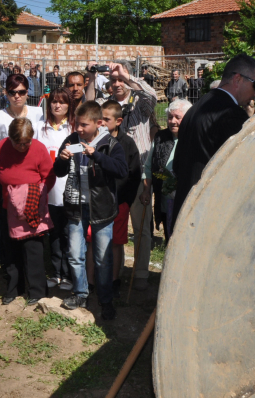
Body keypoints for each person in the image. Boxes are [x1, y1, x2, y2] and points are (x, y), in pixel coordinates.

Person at [172, 54, 255, 231]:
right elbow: (243, 171)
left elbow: (178, 165)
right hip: (209, 218)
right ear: (238, 79)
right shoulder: (231, 115)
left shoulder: (196, 108)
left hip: (186, 211)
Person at [86, 60, 157, 291]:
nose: (117, 84)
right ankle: (107, 273)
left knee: (141, 228)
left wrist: (128, 77)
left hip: (138, 174)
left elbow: (152, 96)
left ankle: (140, 274)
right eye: (113, 80)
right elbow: (88, 105)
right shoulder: (103, 105)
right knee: (108, 229)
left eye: (120, 79)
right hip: (108, 177)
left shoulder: (140, 102)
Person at [53, 101, 127, 319]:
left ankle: (105, 301)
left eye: (84, 125)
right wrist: (62, 160)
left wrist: (97, 155)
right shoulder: (71, 141)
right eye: (77, 124)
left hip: (102, 209)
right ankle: (81, 293)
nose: (78, 129)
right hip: (76, 207)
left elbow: (122, 171)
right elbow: (58, 172)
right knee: (75, 254)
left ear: (98, 123)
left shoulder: (110, 144)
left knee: (103, 260)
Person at [0, 117, 55, 306]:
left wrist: (35, 196)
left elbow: (49, 176)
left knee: (33, 249)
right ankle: (14, 288)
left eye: (27, 143)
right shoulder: (2, 147)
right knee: (10, 249)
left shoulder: (39, 148)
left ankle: (37, 290)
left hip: (32, 206)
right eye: (19, 143)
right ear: (10, 139)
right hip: (8, 206)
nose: (23, 147)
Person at [34, 88, 76, 291]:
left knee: (68, 234)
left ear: (69, 105)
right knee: (54, 233)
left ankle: (68, 274)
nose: (57, 105)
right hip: (47, 190)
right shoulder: (39, 127)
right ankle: (56, 272)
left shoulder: (74, 129)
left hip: (68, 190)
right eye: (54, 102)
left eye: (62, 102)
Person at [100, 100, 141, 294]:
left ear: (118, 121)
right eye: (100, 118)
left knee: (116, 242)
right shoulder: (96, 140)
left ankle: (115, 279)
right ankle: (98, 277)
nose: (101, 122)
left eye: (106, 119)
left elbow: (134, 174)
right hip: (98, 201)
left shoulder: (127, 143)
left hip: (120, 201)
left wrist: (126, 200)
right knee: (95, 240)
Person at [141, 99, 191, 241]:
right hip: (165, 199)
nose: (172, 121)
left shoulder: (193, 138)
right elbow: (149, 166)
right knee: (170, 236)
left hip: (185, 199)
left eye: (177, 117)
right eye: (170, 117)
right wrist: (146, 189)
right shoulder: (160, 138)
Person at [0, 74, 44, 140]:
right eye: (12, 92)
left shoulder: (38, 114)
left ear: (27, 93)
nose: (17, 96)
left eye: (22, 92)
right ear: (6, 94)